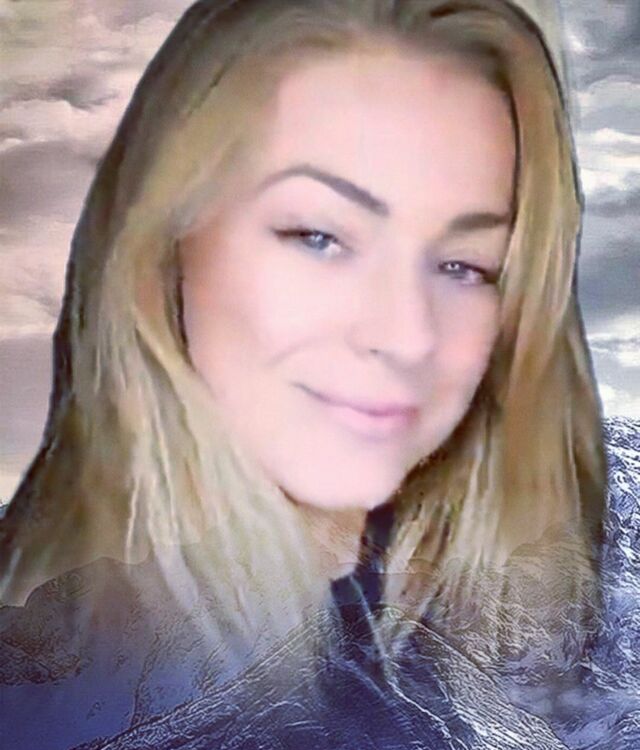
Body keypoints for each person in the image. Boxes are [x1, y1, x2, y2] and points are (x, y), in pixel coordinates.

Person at [0, 0, 606, 678]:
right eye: (319, 237)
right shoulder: (36, 673)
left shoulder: (539, 650)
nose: (407, 335)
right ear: (163, 247)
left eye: (464, 266)